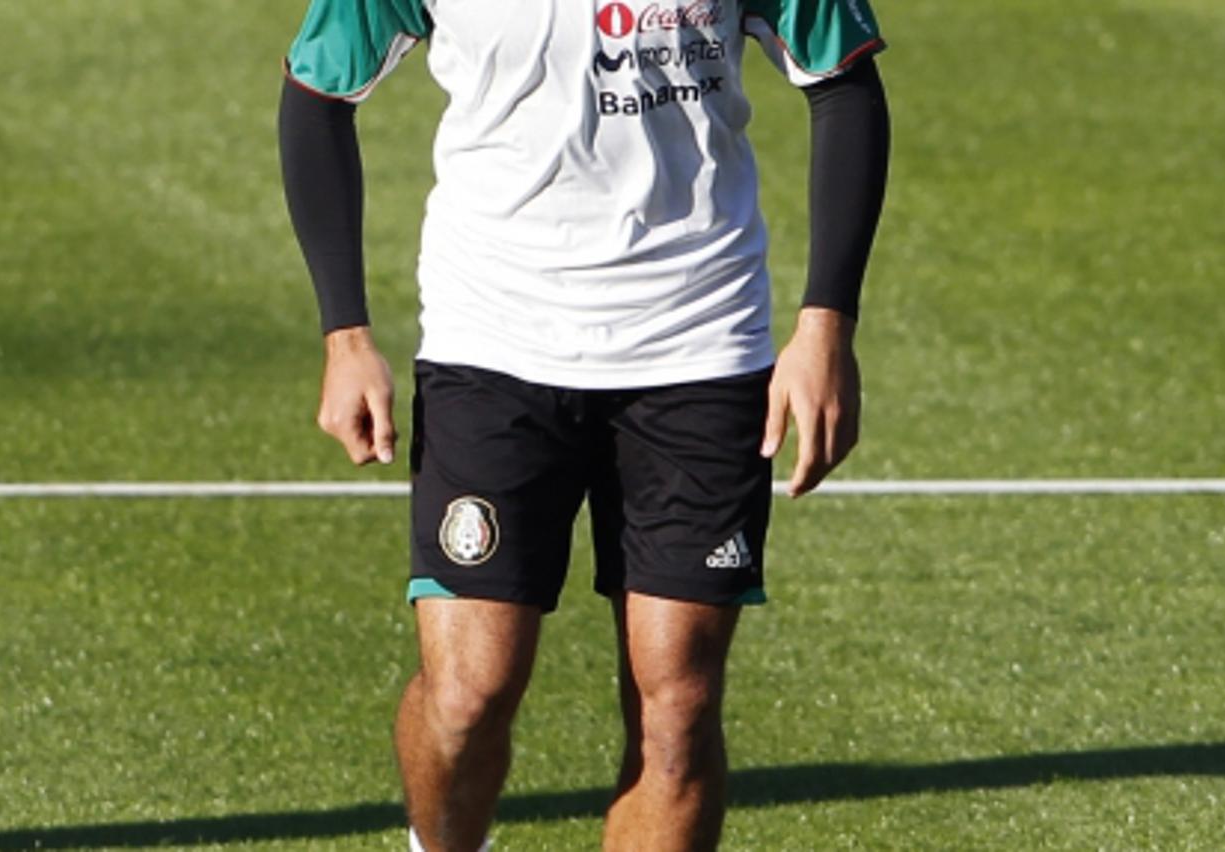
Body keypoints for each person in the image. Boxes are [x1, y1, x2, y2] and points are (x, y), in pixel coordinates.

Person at [279, 1, 889, 849]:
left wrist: (827, 328)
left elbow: (844, 81)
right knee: (466, 696)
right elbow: (316, 95)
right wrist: (345, 336)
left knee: (677, 710)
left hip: (700, 343)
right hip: (490, 343)